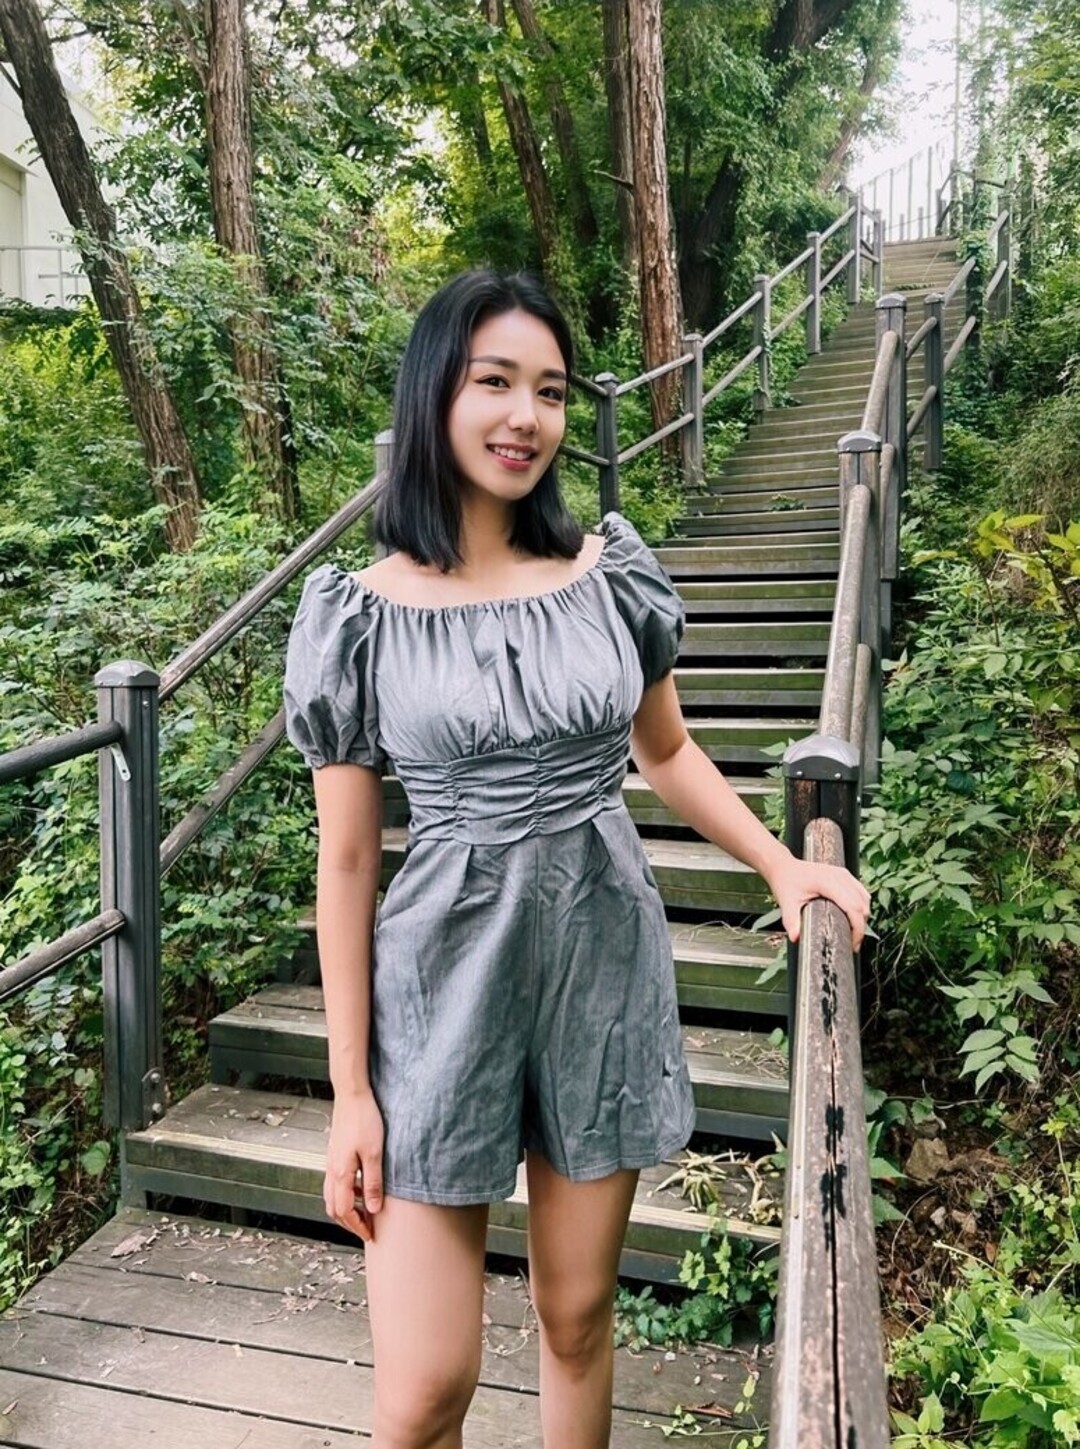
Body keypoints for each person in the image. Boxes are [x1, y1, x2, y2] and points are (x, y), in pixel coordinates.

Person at [283, 269, 871, 1449]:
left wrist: (782, 867)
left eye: (550, 392)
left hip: (599, 964)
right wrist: (350, 1094)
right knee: (423, 1391)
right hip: (438, 989)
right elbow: (344, 864)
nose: (527, 417)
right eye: (495, 382)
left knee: (577, 1317)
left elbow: (668, 751)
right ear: (435, 391)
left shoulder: (608, 573)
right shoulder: (357, 613)